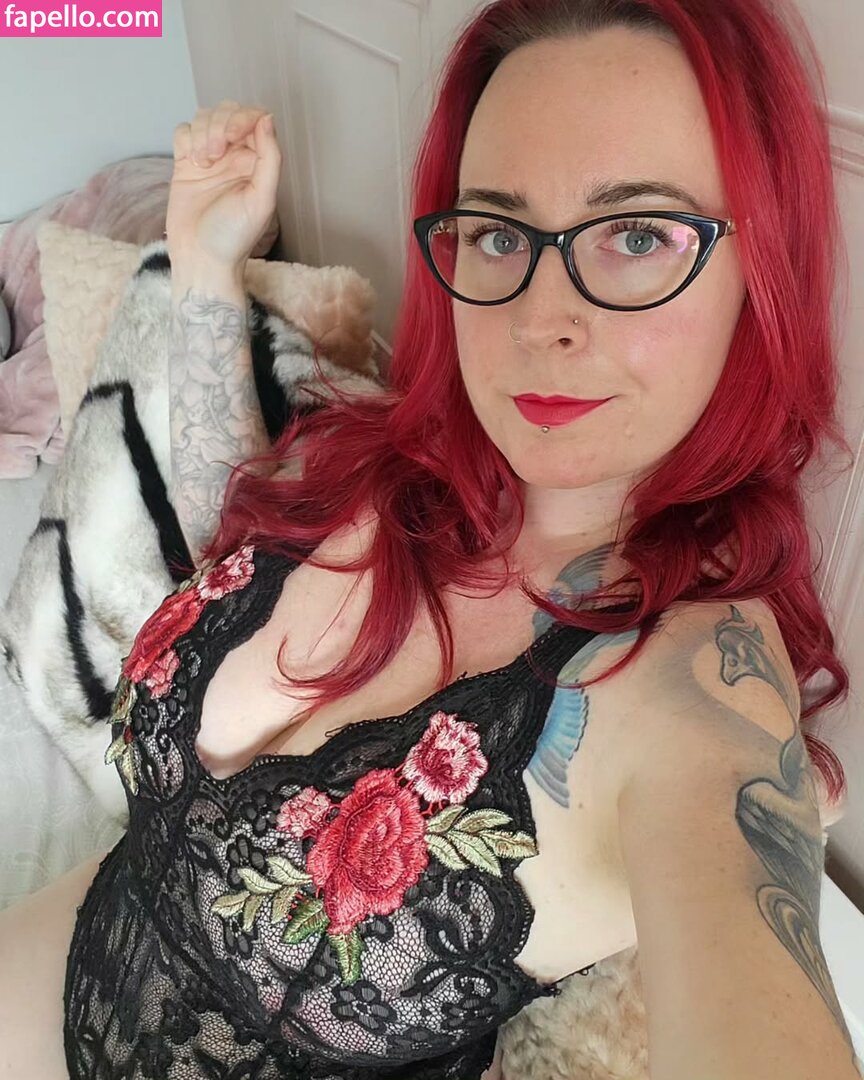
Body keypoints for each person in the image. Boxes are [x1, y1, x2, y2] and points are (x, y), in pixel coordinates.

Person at [0, 1, 859, 1078]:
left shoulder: (696, 689)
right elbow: (232, 537)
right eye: (499, 233)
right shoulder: (395, 463)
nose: (541, 318)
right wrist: (206, 267)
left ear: (760, 267)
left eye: (638, 235)